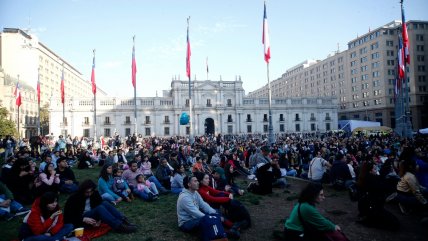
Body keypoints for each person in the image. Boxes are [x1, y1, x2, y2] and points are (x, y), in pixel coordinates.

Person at [64, 179, 137, 233]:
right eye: (87, 192)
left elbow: (99, 203)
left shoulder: (94, 194)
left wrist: (99, 220)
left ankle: (123, 220)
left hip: (93, 216)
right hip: (81, 220)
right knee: (100, 208)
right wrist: (83, 219)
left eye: (91, 192)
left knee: (104, 203)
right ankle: (119, 227)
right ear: (82, 190)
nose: (89, 194)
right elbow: (68, 216)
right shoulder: (74, 198)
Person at [356, 161, 400, 230]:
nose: (376, 170)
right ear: (370, 170)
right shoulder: (372, 178)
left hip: (365, 206)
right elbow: (382, 188)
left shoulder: (363, 177)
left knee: (392, 221)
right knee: (394, 223)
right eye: (374, 169)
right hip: (372, 206)